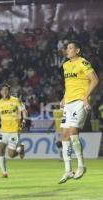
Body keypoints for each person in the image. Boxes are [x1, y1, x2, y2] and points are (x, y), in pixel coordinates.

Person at [59, 41, 99, 184]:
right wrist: (63, 98)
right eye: (67, 49)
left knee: (73, 131)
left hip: (79, 102)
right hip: (68, 103)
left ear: (77, 50)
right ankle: (68, 170)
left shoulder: (83, 62)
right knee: (64, 134)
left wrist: (86, 97)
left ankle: (81, 165)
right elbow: (69, 84)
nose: (67, 50)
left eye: (70, 48)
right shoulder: (65, 65)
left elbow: (94, 80)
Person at [0, 83, 27, 178]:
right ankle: (4, 173)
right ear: (0, 92)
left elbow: (24, 111)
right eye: (2, 90)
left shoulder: (16, 100)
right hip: (3, 131)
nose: (4, 92)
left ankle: (20, 150)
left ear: (9, 91)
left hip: (14, 131)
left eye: (6, 90)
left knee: (11, 154)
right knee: (0, 150)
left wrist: (24, 120)